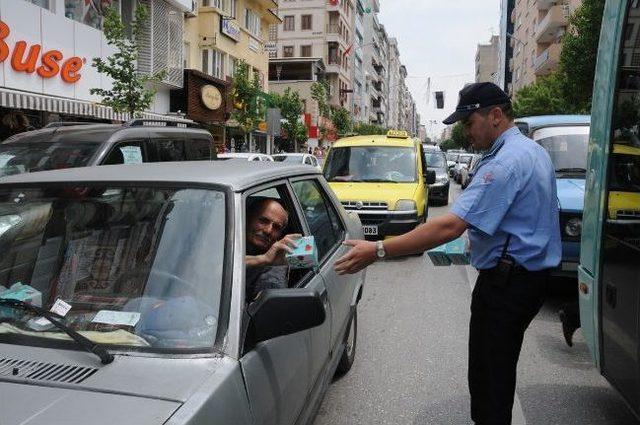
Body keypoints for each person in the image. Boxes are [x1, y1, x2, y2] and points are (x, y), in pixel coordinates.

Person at [334, 82, 561, 425]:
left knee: (489, 381)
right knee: (498, 371)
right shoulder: (533, 151)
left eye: (470, 124)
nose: (467, 134)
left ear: (495, 115)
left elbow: (446, 227)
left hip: (507, 286)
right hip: (527, 277)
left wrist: (378, 249)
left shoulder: (504, 162)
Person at [245, 198, 300, 301]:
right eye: (263, 221)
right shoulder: (223, 241)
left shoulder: (276, 261)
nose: (268, 230)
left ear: (280, 235)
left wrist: (266, 260)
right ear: (247, 219)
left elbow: (270, 301)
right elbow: (214, 265)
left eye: (276, 227)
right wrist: (261, 259)